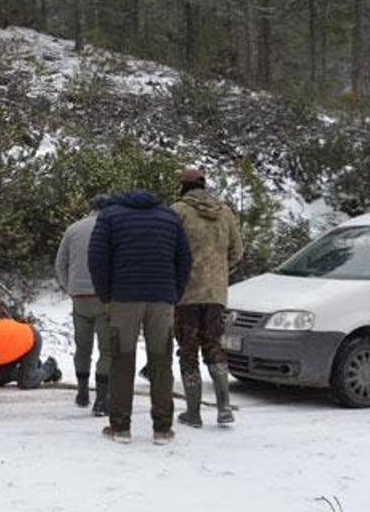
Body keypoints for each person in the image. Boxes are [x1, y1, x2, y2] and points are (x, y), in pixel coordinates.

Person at [88, 190, 192, 446]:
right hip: (162, 299)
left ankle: (121, 427)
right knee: (161, 362)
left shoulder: (110, 216)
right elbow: (185, 260)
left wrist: (106, 295)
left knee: (122, 362)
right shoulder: (169, 217)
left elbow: (97, 260)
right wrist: (174, 293)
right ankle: (162, 429)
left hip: (124, 298)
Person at [172, 167, 244, 427]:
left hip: (186, 295)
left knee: (188, 351)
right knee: (214, 347)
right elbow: (237, 252)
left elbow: (169, 249)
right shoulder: (225, 212)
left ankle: (193, 413)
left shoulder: (178, 211)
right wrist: (220, 272)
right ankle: (224, 408)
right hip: (216, 294)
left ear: (182, 186)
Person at [55, 195, 111, 415]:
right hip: (104, 297)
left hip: (79, 296)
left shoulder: (73, 229)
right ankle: (101, 400)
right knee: (106, 350)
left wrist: (69, 287)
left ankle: (82, 392)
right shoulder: (110, 229)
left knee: (83, 347)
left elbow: (60, 263)